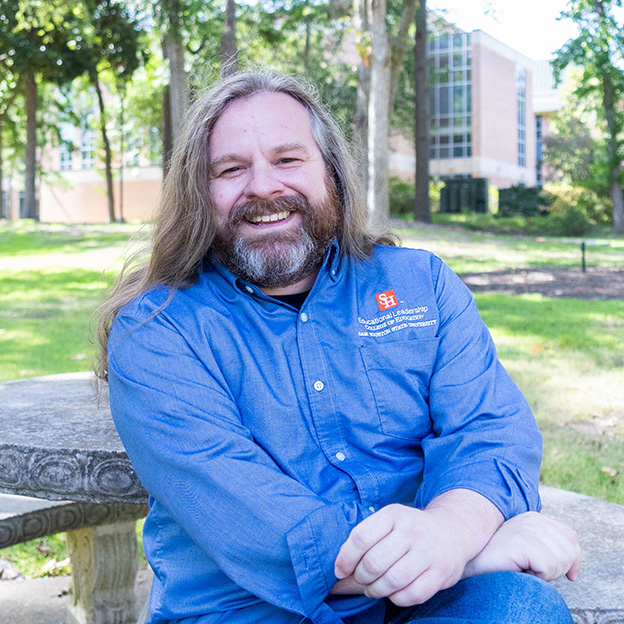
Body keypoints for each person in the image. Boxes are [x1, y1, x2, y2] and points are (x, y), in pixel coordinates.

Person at [96, 71, 581, 624]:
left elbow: (491, 431)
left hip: (432, 603)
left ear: (331, 173)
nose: (262, 187)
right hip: (247, 610)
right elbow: (262, 527)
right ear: (198, 195)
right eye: (231, 169)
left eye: (288, 159)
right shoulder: (157, 332)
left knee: (520, 610)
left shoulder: (423, 284)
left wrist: (450, 533)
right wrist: (469, 555)